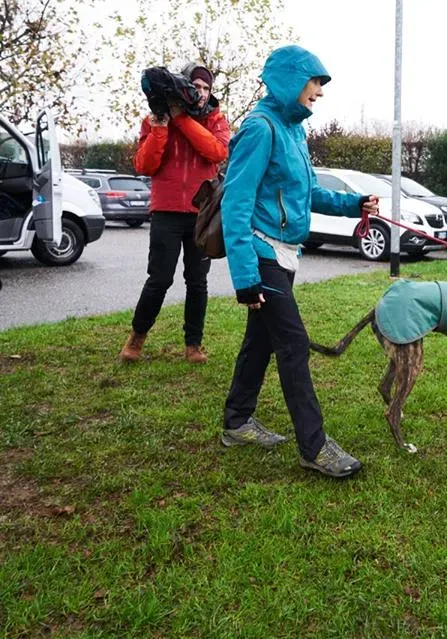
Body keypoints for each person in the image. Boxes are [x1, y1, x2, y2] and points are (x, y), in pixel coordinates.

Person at [219, 45, 379, 479]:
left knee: (262, 342)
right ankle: (314, 446)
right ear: (290, 80)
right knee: (293, 344)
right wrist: (246, 275)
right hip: (262, 253)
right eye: (315, 82)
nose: (320, 92)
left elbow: (308, 193)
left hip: (286, 256)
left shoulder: (294, 132)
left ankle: (236, 422)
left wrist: (355, 204)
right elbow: (235, 203)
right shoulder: (259, 128)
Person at [120, 62, 231, 364]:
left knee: (197, 281)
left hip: (202, 212)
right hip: (166, 211)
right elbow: (145, 166)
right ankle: (136, 337)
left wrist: (182, 120)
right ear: (184, 86)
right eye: (196, 85)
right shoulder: (154, 120)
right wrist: (159, 128)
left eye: (207, 87)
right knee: (159, 279)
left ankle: (193, 345)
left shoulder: (216, 119)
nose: (202, 92)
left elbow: (217, 152)